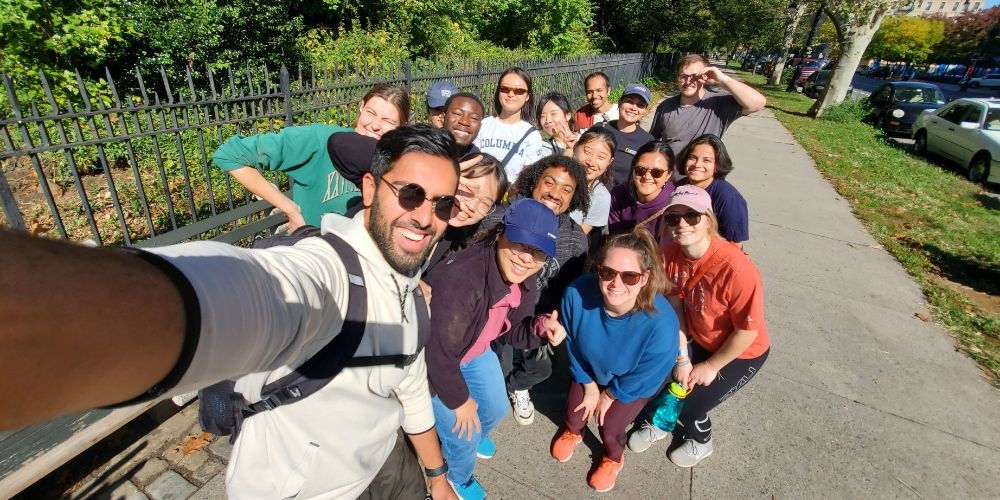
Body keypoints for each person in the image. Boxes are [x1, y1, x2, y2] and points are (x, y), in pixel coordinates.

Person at [1, 126, 462, 499]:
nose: (425, 216)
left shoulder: (406, 278)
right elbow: (259, 290)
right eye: (410, 193)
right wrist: (71, 307)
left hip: (386, 460)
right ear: (368, 187)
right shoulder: (330, 271)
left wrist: (437, 475)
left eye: (443, 203)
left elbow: (408, 378)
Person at [425, 198, 567, 499]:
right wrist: (460, 401)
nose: (527, 258)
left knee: (497, 408)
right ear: (501, 233)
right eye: (521, 243)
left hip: (475, 351)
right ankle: (456, 476)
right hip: (431, 365)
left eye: (539, 251)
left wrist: (540, 327)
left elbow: (514, 330)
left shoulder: (525, 279)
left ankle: (467, 444)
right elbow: (436, 353)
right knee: (463, 431)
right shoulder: (463, 279)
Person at [627, 185, 770, 468]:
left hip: (741, 350)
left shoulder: (738, 269)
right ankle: (660, 423)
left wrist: (711, 366)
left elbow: (747, 331)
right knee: (663, 380)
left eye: (692, 216)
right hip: (699, 336)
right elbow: (676, 307)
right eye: (673, 218)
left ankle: (702, 441)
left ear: (709, 219)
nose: (682, 224)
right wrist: (682, 357)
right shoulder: (670, 252)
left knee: (693, 405)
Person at [549, 227, 678, 492]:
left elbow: (648, 374)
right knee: (574, 414)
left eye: (629, 276)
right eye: (607, 272)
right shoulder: (576, 293)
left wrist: (609, 395)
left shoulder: (661, 322)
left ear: (645, 278)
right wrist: (587, 384)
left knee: (610, 427)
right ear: (598, 269)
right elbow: (571, 342)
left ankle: (613, 457)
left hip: (631, 382)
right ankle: (574, 431)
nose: (616, 284)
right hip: (591, 370)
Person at [478, 155, 591, 426]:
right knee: (494, 370)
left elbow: (571, 287)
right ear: (533, 183)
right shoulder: (501, 216)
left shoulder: (575, 238)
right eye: (549, 182)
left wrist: (556, 321)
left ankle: (517, 386)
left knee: (541, 368)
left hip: (536, 317)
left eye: (567, 189)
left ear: (575, 198)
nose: (555, 193)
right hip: (492, 312)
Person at [213, 84, 410, 230]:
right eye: (371, 113)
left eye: (387, 120)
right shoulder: (321, 141)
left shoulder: (398, 163)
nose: (375, 125)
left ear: (402, 126)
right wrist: (288, 207)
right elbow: (230, 154)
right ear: (361, 107)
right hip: (317, 261)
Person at [648, 54, 767, 161]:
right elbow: (652, 141)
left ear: (705, 77)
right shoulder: (666, 106)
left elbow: (758, 103)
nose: (688, 81)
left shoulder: (719, 104)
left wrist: (721, 79)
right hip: (669, 181)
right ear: (677, 78)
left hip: (701, 182)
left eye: (694, 76)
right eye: (683, 76)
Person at [425, 153, 509, 273]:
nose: (472, 206)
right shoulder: (414, 214)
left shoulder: (461, 245)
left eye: (485, 204)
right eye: (467, 190)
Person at [474, 67, 551, 181]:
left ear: (527, 96)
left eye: (519, 91)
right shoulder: (483, 126)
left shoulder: (531, 136)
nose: (511, 94)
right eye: (505, 89)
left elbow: (528, 177)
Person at [676, 134, 749, 245]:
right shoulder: (678, 188)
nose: (697, 164)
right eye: (692, 158)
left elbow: (736, 245)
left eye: (707, 160)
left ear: (717, 165)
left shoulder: (728, 197)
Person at [607, 140, 676, 239]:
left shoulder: (675, 203)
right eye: (640, 170)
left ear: (668, 175)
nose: (647, 176)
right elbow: (615, 238)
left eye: (656, 172)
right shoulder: (618, 195)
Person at [595, 83, 655, 185]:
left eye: (640, 105)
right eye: (630, 101)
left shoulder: (648, 142)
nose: (633, 108)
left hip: (622, 199)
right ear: (619, 103)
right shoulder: (600, 129)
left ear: (645, 111)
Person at [568, 128, 616, 234]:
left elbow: (577, 236)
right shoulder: (553, 177)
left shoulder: (601, 197)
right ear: (575, 147)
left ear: (609, 162)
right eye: (587, 152)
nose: (591, 162)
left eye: (601, 157)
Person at [443, 92, 486, 158]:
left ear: (480, 126)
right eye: (457, 114)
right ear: (443, 117)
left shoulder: (478, 162)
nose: (464, 122)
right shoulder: (425, 150)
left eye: (473, 118)